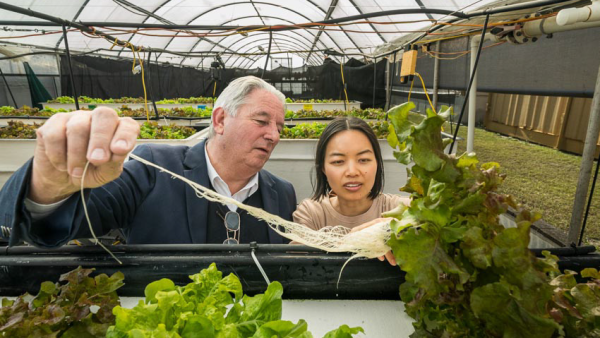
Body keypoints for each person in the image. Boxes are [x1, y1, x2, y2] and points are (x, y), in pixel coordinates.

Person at [0, 76, 296, 247]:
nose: (273, 135)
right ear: (220, 120)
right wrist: (48, 187)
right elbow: (59, 226)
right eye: (261, 121)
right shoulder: (154, 168)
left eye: (280, 128)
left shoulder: (281, 193)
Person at [292, 117, 410, 264]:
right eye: (338, 162)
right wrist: (355, 240)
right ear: (323, 168)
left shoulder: (401, 209)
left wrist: (397, 226)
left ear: (378, 163)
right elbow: (298, 268)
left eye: (363, 160)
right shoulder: (312, 214)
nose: (352, 172)